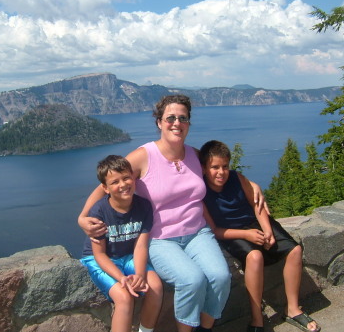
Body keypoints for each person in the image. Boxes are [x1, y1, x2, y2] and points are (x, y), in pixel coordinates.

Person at [79, 95, 265, 332]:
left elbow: (220, 170)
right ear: (159, 122)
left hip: (198, 233)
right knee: (191, 280)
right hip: (159, 239)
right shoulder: (143, 156)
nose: (177, 123)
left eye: (183, 118)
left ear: (188, 123)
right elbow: (107, 183)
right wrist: (83, 217)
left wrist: (250, 185)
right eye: (170, 118)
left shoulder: (195, 155)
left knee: (220, 277)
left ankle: (205, 328)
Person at [199, 140, 321, 332]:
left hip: (255, 223)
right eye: (214, 167)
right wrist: (246, 235)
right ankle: (257, 320)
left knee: (295, 250)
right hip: (232, 232)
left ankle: (293, 309)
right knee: (254, 257)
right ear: (204, 168)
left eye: (224, 166)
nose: (221, 172)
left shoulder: (236, 178)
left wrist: (268, 230)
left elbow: (257, 204)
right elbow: (215, 230)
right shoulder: (201, 192)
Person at [79, 155, 163, 332]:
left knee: (155, 286)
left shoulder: (144, 206)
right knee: (124, 298)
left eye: (126, 178)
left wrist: (139, 275)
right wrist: (121, 278)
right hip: (100, 260)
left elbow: (140, 245)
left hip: (128, 256)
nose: (123, 185)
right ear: (105, 188)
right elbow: (99, 254)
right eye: (115, 182)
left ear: (134, 177)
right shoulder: (100, 211)